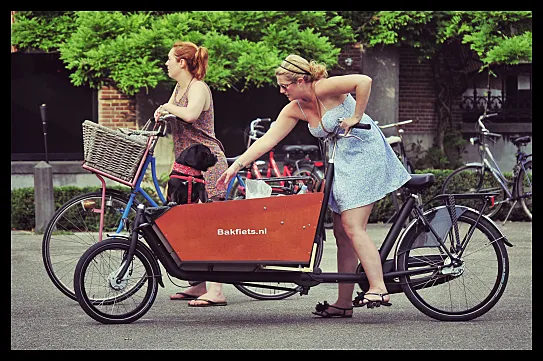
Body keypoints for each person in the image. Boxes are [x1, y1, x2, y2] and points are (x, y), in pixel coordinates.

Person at [216, 54, 411, 317]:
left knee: (353, 226)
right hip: (341, 162)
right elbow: (268, 140)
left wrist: (356, 116)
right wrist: (235, 166)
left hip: (366, 154)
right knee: (342, 233)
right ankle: (344, 303)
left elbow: (364, 81)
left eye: (285, 86)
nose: (281, 91)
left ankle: (378, 286)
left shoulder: (323, 87)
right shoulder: (294, 108)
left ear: (300, 81)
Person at [154, 40, 228, 307]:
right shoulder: (178, 88)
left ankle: (217, 291)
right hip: (187, 167)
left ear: (182, 62)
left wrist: (167, 107)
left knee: (211, 226)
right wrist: (162, 113)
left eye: (170, 59)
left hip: (207, 164)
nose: (166, 63)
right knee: (192, 225)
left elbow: (191, 114)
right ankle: (198, 285)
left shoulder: (198, 88)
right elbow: (175, 115)